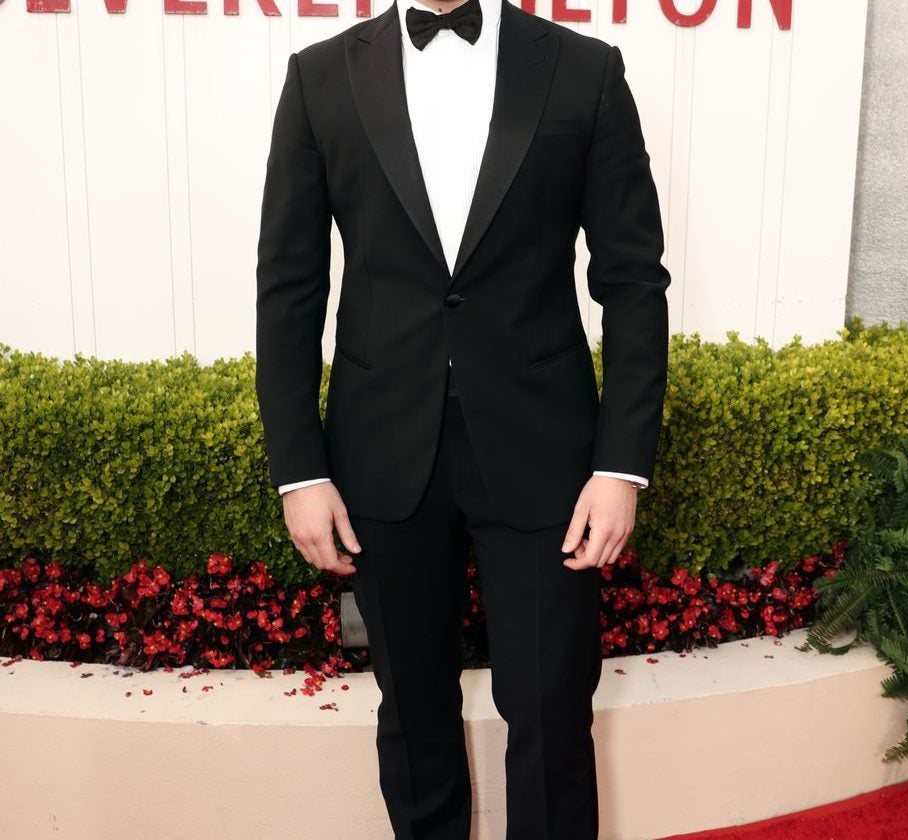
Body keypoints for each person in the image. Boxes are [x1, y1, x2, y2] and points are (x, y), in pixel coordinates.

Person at [254, 0, 670, 836]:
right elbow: (289, 287)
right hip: (380, 454)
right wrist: (299, 471)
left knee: (552, 714)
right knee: (412, 715)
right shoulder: (320, 78)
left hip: (547, 458)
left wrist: (620, 466)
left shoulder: (583, 70)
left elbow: (632, 279)